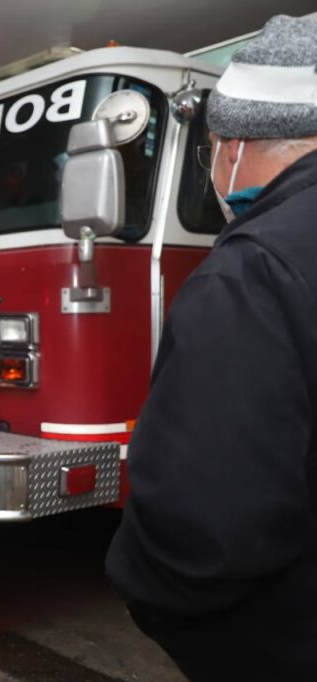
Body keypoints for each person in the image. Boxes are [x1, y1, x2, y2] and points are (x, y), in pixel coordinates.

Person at [105, 15, 317, 681]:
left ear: (238, 143)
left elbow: (205, 525)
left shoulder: (251, 270)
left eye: (211, 146)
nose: (215, 165)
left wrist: (152, 594)